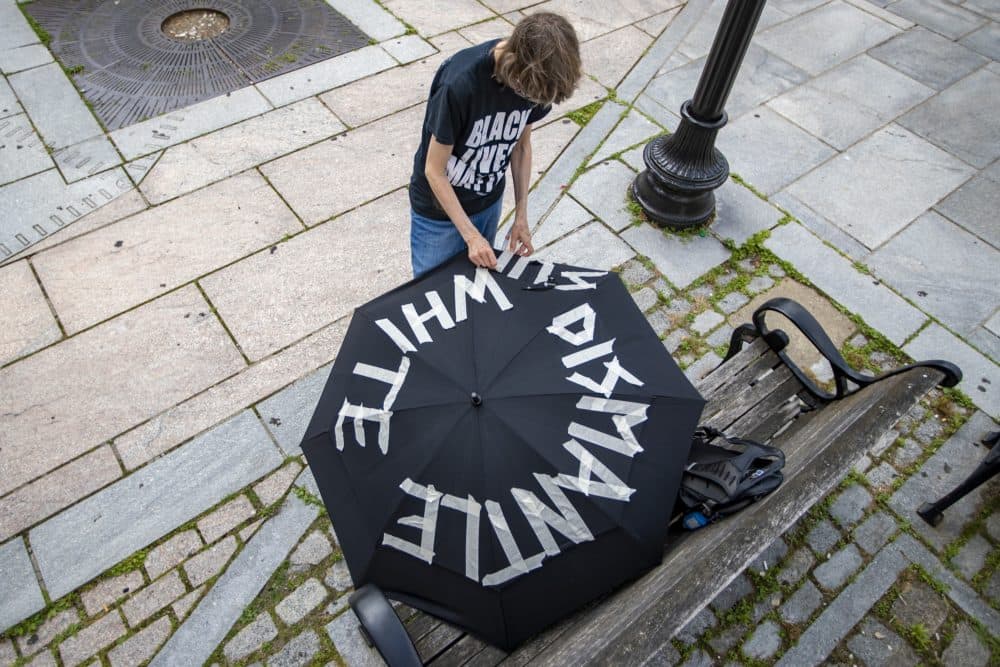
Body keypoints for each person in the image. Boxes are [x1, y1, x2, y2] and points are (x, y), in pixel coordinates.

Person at [408, 12, 582, 278]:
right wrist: (471, 237)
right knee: (433, 290)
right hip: (438, 214)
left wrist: (521, 214)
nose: (527, 100)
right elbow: (434, 170)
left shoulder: (536, 83)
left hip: (488, 202)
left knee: (476, 286)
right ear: (515, 61)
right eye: (525, 92)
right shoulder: (460, 84)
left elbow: (521, 146)